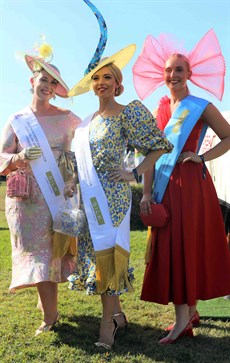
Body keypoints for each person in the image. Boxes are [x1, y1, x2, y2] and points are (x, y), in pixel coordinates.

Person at [64, 43, 173, 350]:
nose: (101, 83)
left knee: (110, 258)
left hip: (113, 197)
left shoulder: (129, 113)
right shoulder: (86, 123)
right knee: (100, 257)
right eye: (96, 79)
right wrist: (72, 181)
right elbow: (80, 162)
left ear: (117, 83)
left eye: (107, 78)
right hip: (88, 199)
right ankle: (118, 316)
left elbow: (159, 146)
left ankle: (107, 324)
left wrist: (135, 173)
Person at [132, 29, 230, 344]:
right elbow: (150, 153)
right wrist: (146, 193)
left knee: (189, 247)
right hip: (165, 188)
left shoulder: (200, 106)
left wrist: (202, 157)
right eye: (168, 70)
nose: (172, 75)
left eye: (179, 69)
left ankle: (182, 322)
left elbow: (228, 135)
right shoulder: (160, 110)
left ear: (189, 74)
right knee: (174, 247)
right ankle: (190, 313)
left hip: (193, 187)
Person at [0, 42, 81, 336]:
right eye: (43, 79)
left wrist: (72, 182)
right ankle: (48, 307)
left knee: (50, 254)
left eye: (53, 81)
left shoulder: (68, 119)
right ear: (32, 81)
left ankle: (49, 315)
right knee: (35, 254)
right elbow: (2, 157)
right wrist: (19, 157)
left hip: (57, 195)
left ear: (57, 87)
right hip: (25, 199)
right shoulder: (17, 120)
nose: (47, 85)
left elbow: (75, 156)